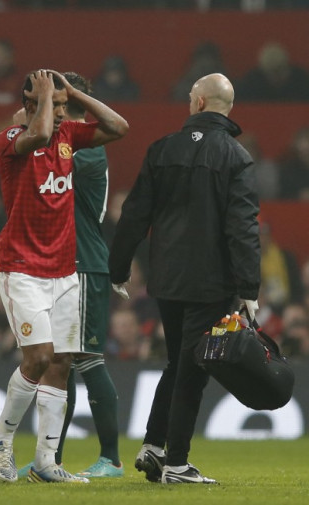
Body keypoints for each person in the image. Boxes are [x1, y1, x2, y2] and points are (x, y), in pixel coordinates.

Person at [108, 73, 260, 485]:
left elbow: (134, 214)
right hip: (211, 282)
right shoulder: (236, 157)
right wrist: (248, 287)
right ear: (226, 108)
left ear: (197, 104)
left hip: (167, 279)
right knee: (194, 368)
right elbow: (242, 226)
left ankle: (154, 446)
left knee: (179, 362)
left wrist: (118, 267)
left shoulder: (162, 150)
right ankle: (177, 463)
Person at [0, 69, 128, 484]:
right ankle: (0, 438)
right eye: (57, 106)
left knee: (62, 363)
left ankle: (47, 462)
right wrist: (47, 98)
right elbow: (41, 133)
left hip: (65, 269)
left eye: (67, 108)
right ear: (30, 107)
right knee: (40, 357)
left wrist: (75, 97)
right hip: (22, 268)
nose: (64, 115)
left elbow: (118, 127)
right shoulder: (12, 141)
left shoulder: (68, 137)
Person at [237, 41, 309, 102]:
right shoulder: (251, 82)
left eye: (279, 71)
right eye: (271, 73)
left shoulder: (301, 80)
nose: (276, 77)